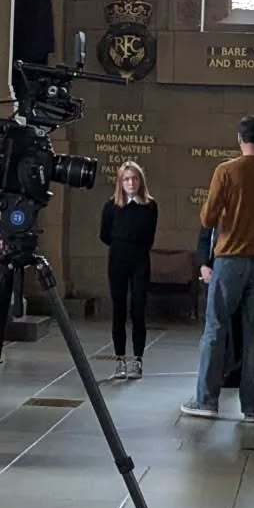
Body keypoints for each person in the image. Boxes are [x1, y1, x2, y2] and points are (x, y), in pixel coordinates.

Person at [182, 115, 254, 424]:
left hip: (231, 260)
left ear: (239, 139)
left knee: (216, 329)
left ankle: (206, 400)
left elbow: (208, 218)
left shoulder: (227, 170)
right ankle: (251, 407)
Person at [100, 162, 158, 380]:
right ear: (120, 182)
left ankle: (137, 360)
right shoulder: (111, 206)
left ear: (140, 181)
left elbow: (149, 235)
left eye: (134, 178)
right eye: (126, 179)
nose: (131, 182)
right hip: (118, 260)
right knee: (118, 309)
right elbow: (104, 234)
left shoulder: (150, 206)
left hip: (140, 261)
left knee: (139, 309)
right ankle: (120, 360)